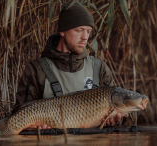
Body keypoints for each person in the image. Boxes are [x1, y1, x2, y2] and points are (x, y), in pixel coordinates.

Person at [13, 1, 127, 129]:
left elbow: (116, 121)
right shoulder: (36, 69)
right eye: (79, 30)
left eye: (88, 31)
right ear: (62, 31)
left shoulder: (99, 68)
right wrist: (32, 128)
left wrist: (113, 122)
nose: (85, 37)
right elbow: (20, 114)